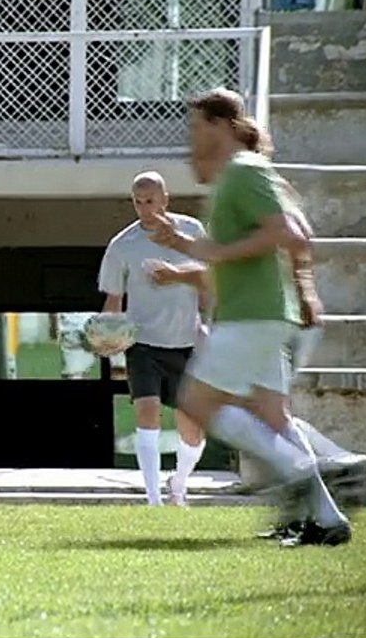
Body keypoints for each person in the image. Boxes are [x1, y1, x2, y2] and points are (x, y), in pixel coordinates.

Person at [148, 87, 352, 547]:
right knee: (274, 420)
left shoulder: (243, 171)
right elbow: (227, 260)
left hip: (252, 316)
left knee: (199, 404)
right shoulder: (235, 178)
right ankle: (328, 518)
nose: (192, 137)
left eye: (197, 126)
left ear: (221, 126)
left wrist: (220, 253)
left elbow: (290, 233)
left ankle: (308, 470)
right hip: (256, 314)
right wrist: (180, 245)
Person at [97, 171, 211, 507]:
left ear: (165, 199)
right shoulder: (122, 245)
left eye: (150, 201)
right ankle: (152, 501)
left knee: (193, 430)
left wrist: (210, 323)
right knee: (147, 413)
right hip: (142, 344)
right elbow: (113, 300)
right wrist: (108, 337)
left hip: (187, 343)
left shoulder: (191, 232)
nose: (144, 208)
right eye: (138, 202)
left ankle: (178, 483)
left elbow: (207, 281)